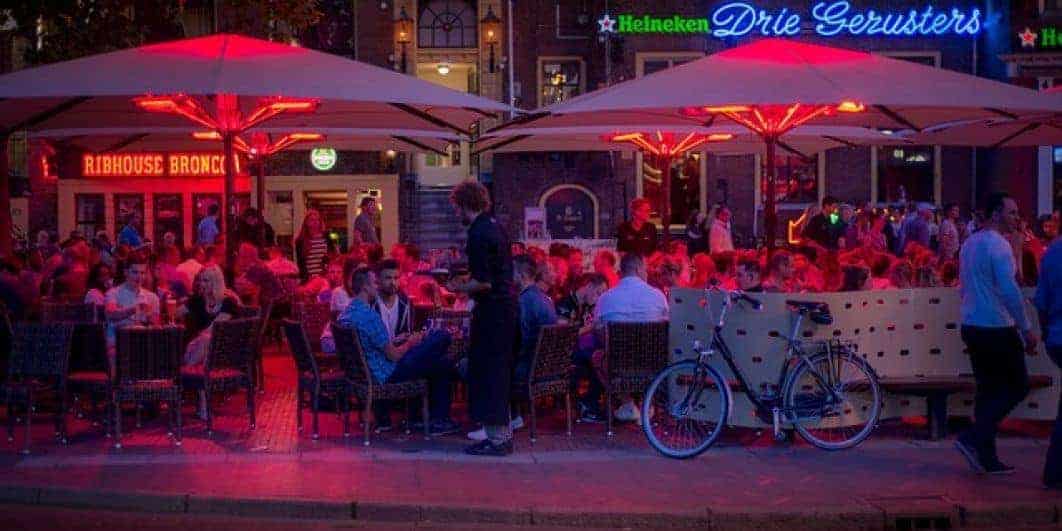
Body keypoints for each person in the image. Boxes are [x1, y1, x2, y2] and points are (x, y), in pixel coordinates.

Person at [954, 192, 1039, 476]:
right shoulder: (998, 246)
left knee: (988, 390)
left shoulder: (969, 243)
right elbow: (1010, 290)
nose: (1016, 217)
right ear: (995, 214)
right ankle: (974, 436)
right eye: (1011, 212)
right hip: (996, 326)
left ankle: (986, 456)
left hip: (972, 324)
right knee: (1017, 386)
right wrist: (1026, 328)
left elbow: (965, 285)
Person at [338, 267, 459, 435]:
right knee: (442, 337)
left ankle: (426, 419)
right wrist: (410, 342)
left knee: (440, 362)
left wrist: (397, 341)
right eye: (375, 283)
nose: (378, 286)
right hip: (386, 373)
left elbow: (372, 344)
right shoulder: (369, 316)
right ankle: (436, 420)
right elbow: (394, 355)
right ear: (365, 287)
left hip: (366, 372)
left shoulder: (348, 313)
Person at [446, 180, 517, 456]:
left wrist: (459, 288)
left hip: (492, 311)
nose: (456, 213)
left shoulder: (477, 233)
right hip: (506, 309)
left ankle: (497, 440)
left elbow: (485, 282)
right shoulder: (496, 226)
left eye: (456, 208)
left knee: (487, 372)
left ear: (465, 204)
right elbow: (494, 271)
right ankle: (502, 435)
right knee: (498, 372)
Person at [592, 253, 669, 424]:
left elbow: (597, 329)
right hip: (652, 363)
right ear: (638, 269)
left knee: (598, 356)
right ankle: (648, 403)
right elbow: (667, 327)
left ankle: (627, 402)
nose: (647, 273)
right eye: (646, 269)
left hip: (618, 365)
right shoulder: (658, 297)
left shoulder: (606, 298)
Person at [1037, 234, 1062, 489]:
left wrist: (1047, 333)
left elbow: (1041, 303)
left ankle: (1054, 471)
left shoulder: (1052, 252)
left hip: (1056, 337)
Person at [103, 257, 160, 359]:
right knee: (113, 353)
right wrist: (134, 309)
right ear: (126, 272)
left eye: (142, 273)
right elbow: (111, 314)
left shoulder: (152, 297)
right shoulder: (113, 293)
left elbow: (156, 325)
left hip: (143, 342)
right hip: (117, 342)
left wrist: (150, 317)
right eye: (135, 272)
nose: (139, 277)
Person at [373, 259, 413, 341]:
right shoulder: (371, 303)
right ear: (378, 279)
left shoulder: (406, 304)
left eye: (396, 278)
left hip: (400, 348)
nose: (393, 283)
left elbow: (408, 333)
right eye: (388, 278)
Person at [294, 209, 336, 281]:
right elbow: (300, 262)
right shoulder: (301, 240)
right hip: (309, 277)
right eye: (312, 220)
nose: (315, 222)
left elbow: (333, 254)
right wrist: (305, 277)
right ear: (306, 222)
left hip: (324, 275)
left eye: (317, 220)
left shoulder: (326, 236)